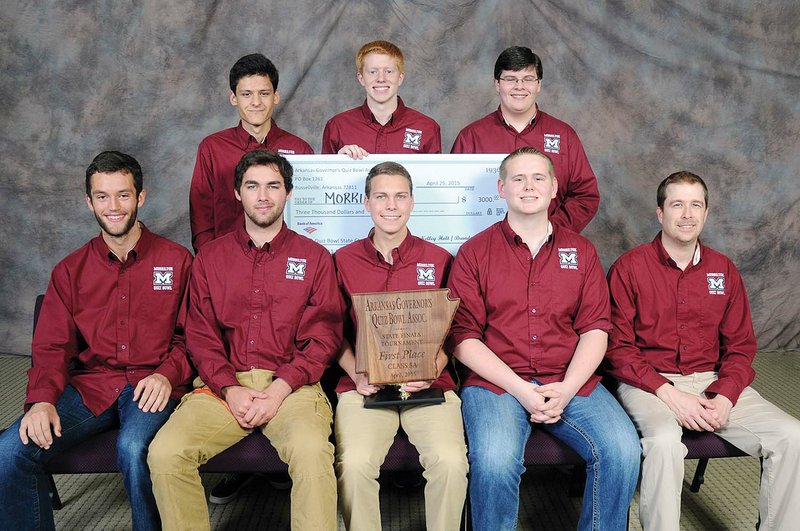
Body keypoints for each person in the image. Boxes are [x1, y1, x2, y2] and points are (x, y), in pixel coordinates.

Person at [447, 147, 640, 530]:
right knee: (495, 460)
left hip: (570, 378)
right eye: (518, 178)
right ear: (501, 188)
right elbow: (462, 337)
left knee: (623, 450)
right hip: (497, 384)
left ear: (554, 188)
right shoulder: (473, 253)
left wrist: (567, 389)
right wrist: (521, 388)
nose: (528, 186)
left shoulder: (581, 251)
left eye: (538, 178)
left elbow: (595, 329)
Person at [148, 150, 342, 531]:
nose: (263, 196)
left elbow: (324, 337)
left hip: (293, 387)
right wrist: (229, 388)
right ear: (238, 193)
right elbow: (200, 335)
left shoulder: (315, 257)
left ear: (288, 192)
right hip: (224, 386)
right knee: (166, 453)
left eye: (273, 186)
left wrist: (280, 389)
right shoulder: (210, 258)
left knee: (312, 452)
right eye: (252, 186)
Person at [0, 151, 193, 531]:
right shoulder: (70, 271)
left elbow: (194, 337)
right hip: (91, 386)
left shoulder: (178, 261)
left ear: (141, 197)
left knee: (135, 449)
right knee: (8, 453)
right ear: (89, 202)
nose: (114, 206)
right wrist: (41, 402)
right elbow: (51, 347)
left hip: (152, 386)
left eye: (123, 195)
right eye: (102, 196)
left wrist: (167, 374)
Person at [605, 171, 800, 531]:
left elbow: (740, 347)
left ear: (706, 214)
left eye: (696, 205)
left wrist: (725, 396)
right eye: (677, 204)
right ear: (660, 213)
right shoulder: (629, 268)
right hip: (649, 383)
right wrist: (670, 394)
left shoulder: (723, 270)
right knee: (663, 443)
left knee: (792, 436)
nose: (687, 214)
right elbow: (616, 347)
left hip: (711, 381)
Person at [332, 162, 468, 530]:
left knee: (451, 462)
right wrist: (356, 373)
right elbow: (330, 331)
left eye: (400, 196)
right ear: (366, 202)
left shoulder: (440, 259)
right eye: (381, 196)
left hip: (429, 386)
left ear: (411, 202)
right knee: (356, 464)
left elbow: (455, 330)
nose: (390, 205)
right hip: (364, 386)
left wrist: (433, 369)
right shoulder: (342, 261)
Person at [451, 46, 599, 233]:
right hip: (486, 251)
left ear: (538, 85)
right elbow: (455, 199)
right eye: (510, 79)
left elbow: (585, 196)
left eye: (528, 79)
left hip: (548, 249)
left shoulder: (564, 136)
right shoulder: (471, 137)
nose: (519, 86)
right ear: (497, 84)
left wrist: (550, 230)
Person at [189, 53, 313, 253]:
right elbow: (201, 218)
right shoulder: (212, 148)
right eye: (246, 94)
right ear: (233, 98)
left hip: (285, 260)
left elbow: (309, 212)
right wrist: (210, 260)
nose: (256, 102)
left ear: (276, 96)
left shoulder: (300, 149)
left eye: (264, 93)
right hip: (228, 260)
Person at [322, 40, 441, 159]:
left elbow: (434, 176)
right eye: (373, 72)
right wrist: (338, 162)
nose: (381, 78)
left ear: (400, 78)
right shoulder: (337, 126)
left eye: (388, 71)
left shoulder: (427, 128)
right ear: (361, 78)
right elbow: (326, 176)